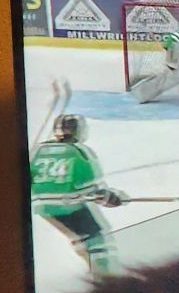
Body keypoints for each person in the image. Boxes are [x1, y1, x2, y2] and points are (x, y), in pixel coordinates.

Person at [30, 114, 123, 274]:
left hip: (41, 206)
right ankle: (104, 279)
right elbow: (93, 188)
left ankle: (91, 265)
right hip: (68, 205)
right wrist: (111, 197)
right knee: (97, 241)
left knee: (80, 238)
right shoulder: (79, 151)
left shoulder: (37, 150)